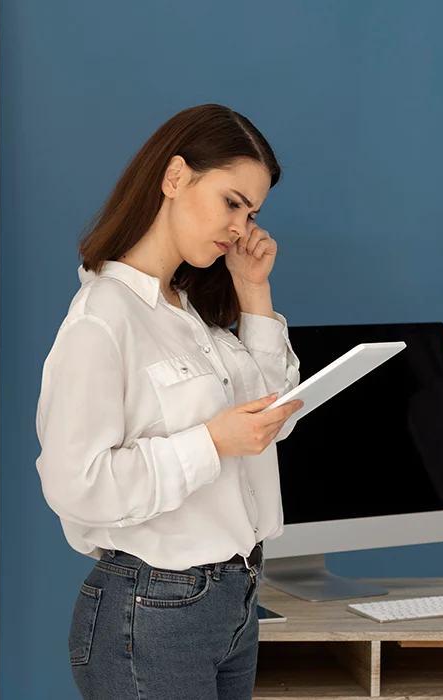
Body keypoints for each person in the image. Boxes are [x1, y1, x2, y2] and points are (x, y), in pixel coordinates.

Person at [34, 103, 302, 700]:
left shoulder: (193, 315)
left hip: (233, 599)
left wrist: (253, 291)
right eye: (232, 202)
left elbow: (268, 421)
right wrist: (210, 443)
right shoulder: (103, 317)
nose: (241, 226)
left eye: (252, 212)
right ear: (175, 177)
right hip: (152, 610)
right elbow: (75, 484)